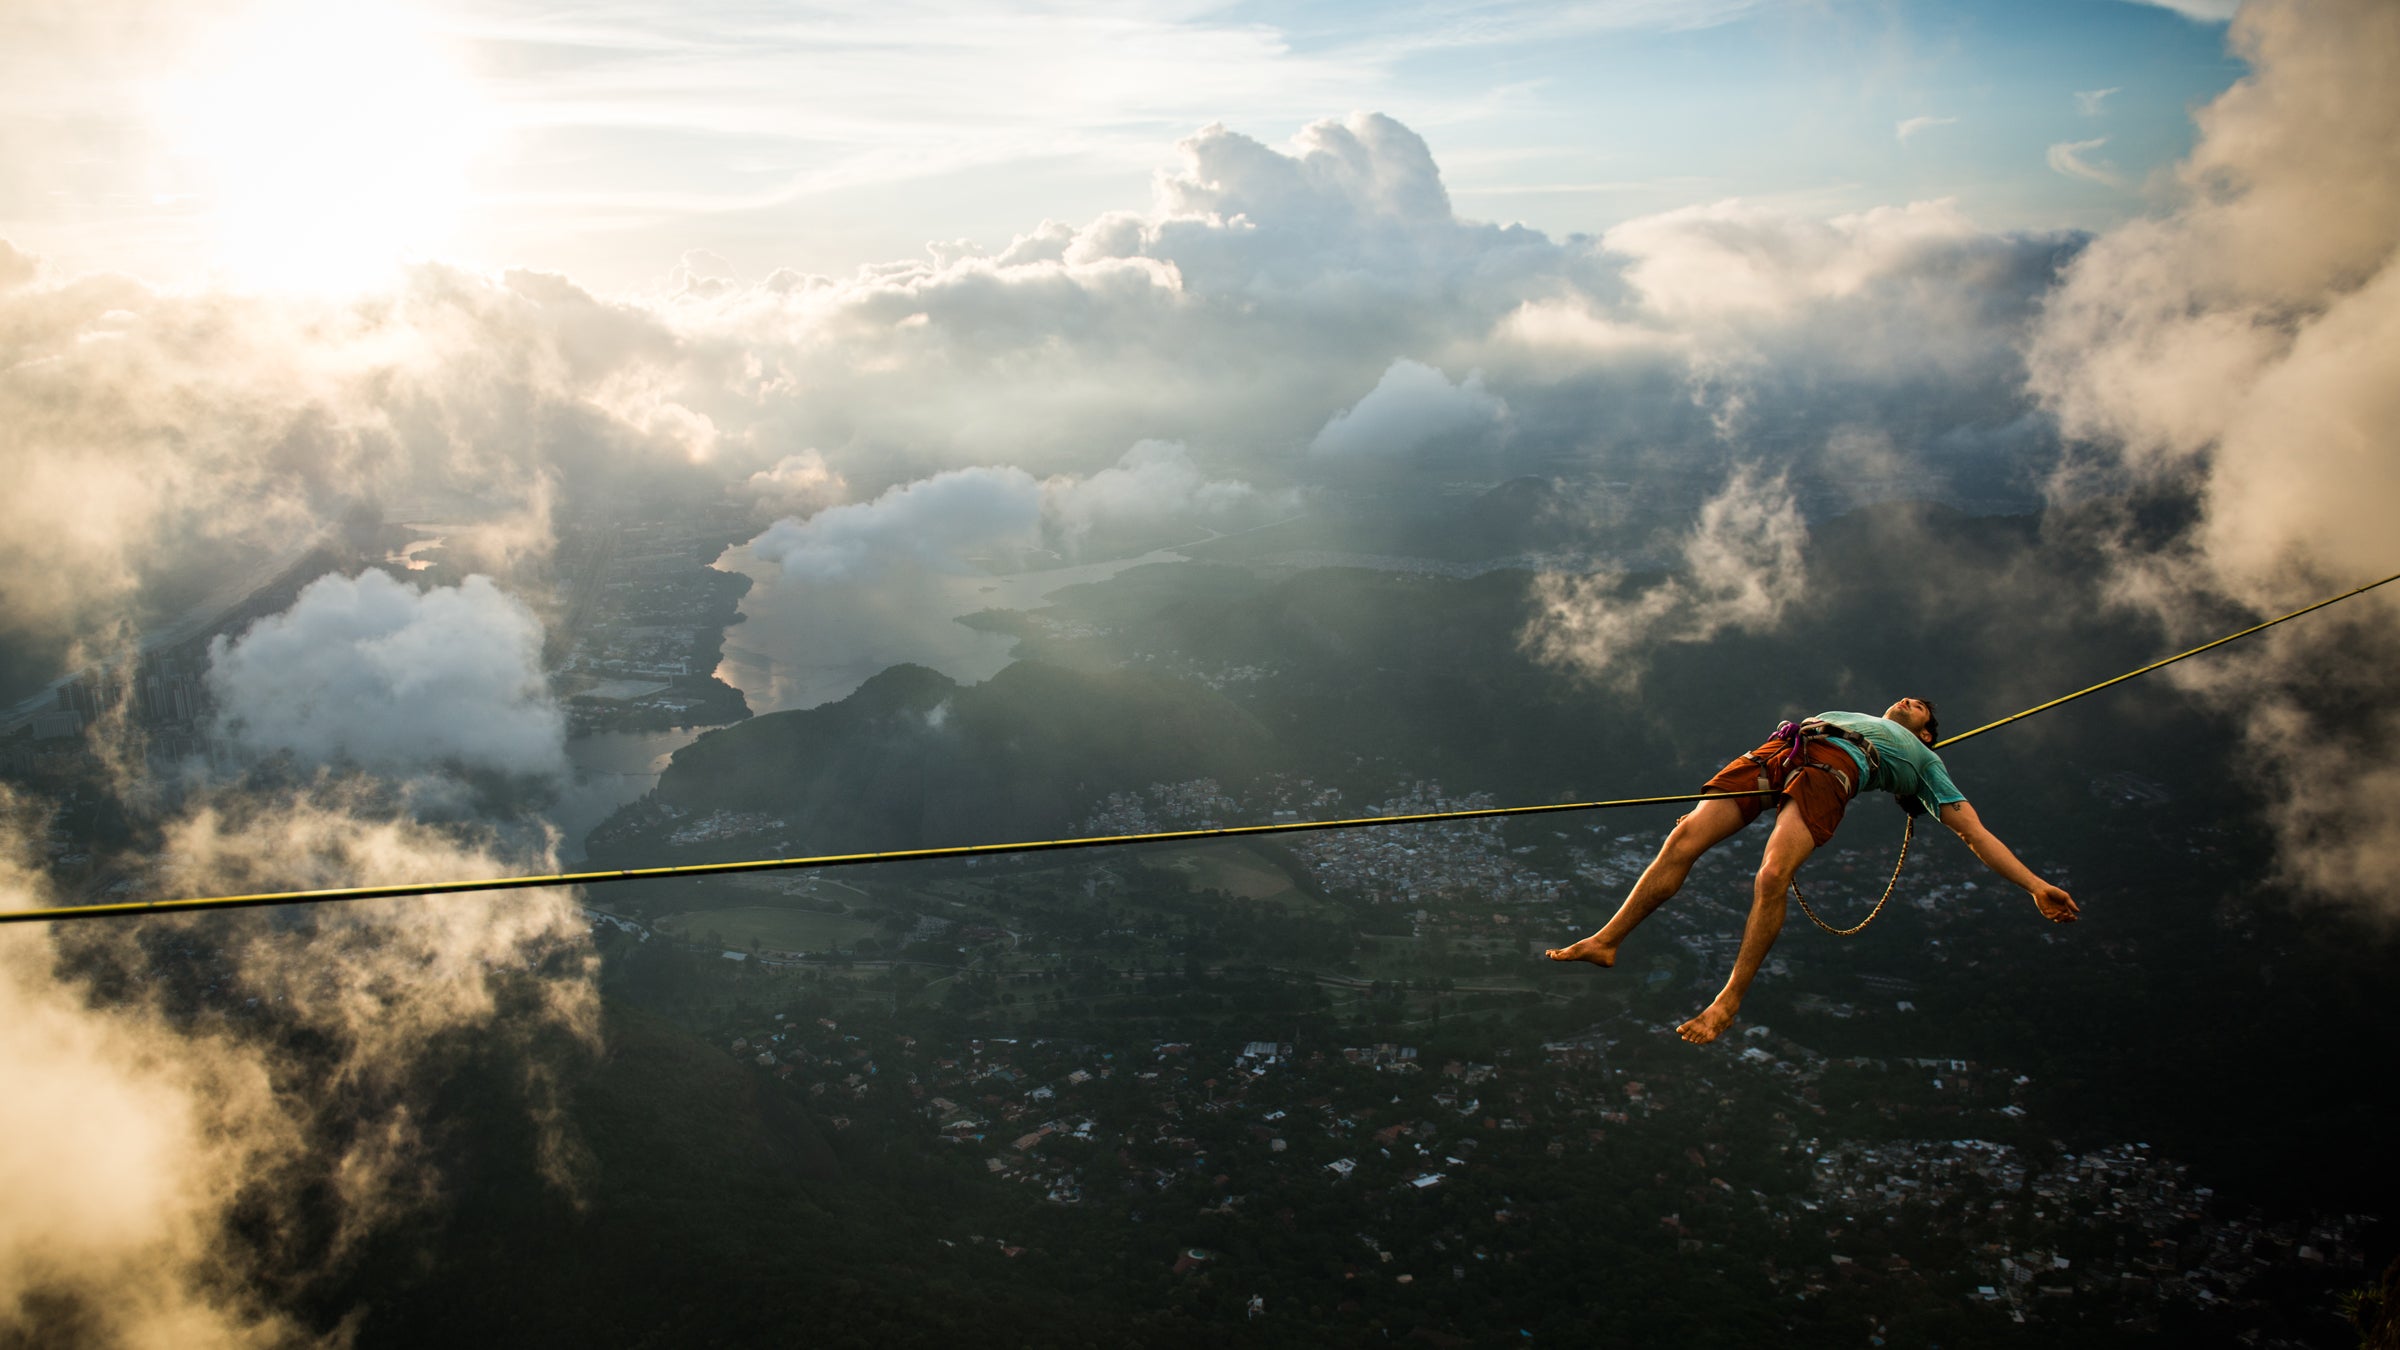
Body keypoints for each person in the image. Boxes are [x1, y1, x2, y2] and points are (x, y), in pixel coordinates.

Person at [1544, 697, 2077, 1044]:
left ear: (1929, 735)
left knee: (1771, 876)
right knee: (1682, 839)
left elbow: (1974, 833)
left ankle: (1727, 1001)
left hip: (1832, 770)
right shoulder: (1849, 710)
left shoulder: (1927, 763)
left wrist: (2034, 885)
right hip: (1780, 750)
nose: (1913, 703)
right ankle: (1605, 940)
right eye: (1910, 701)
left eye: (1924, 712)